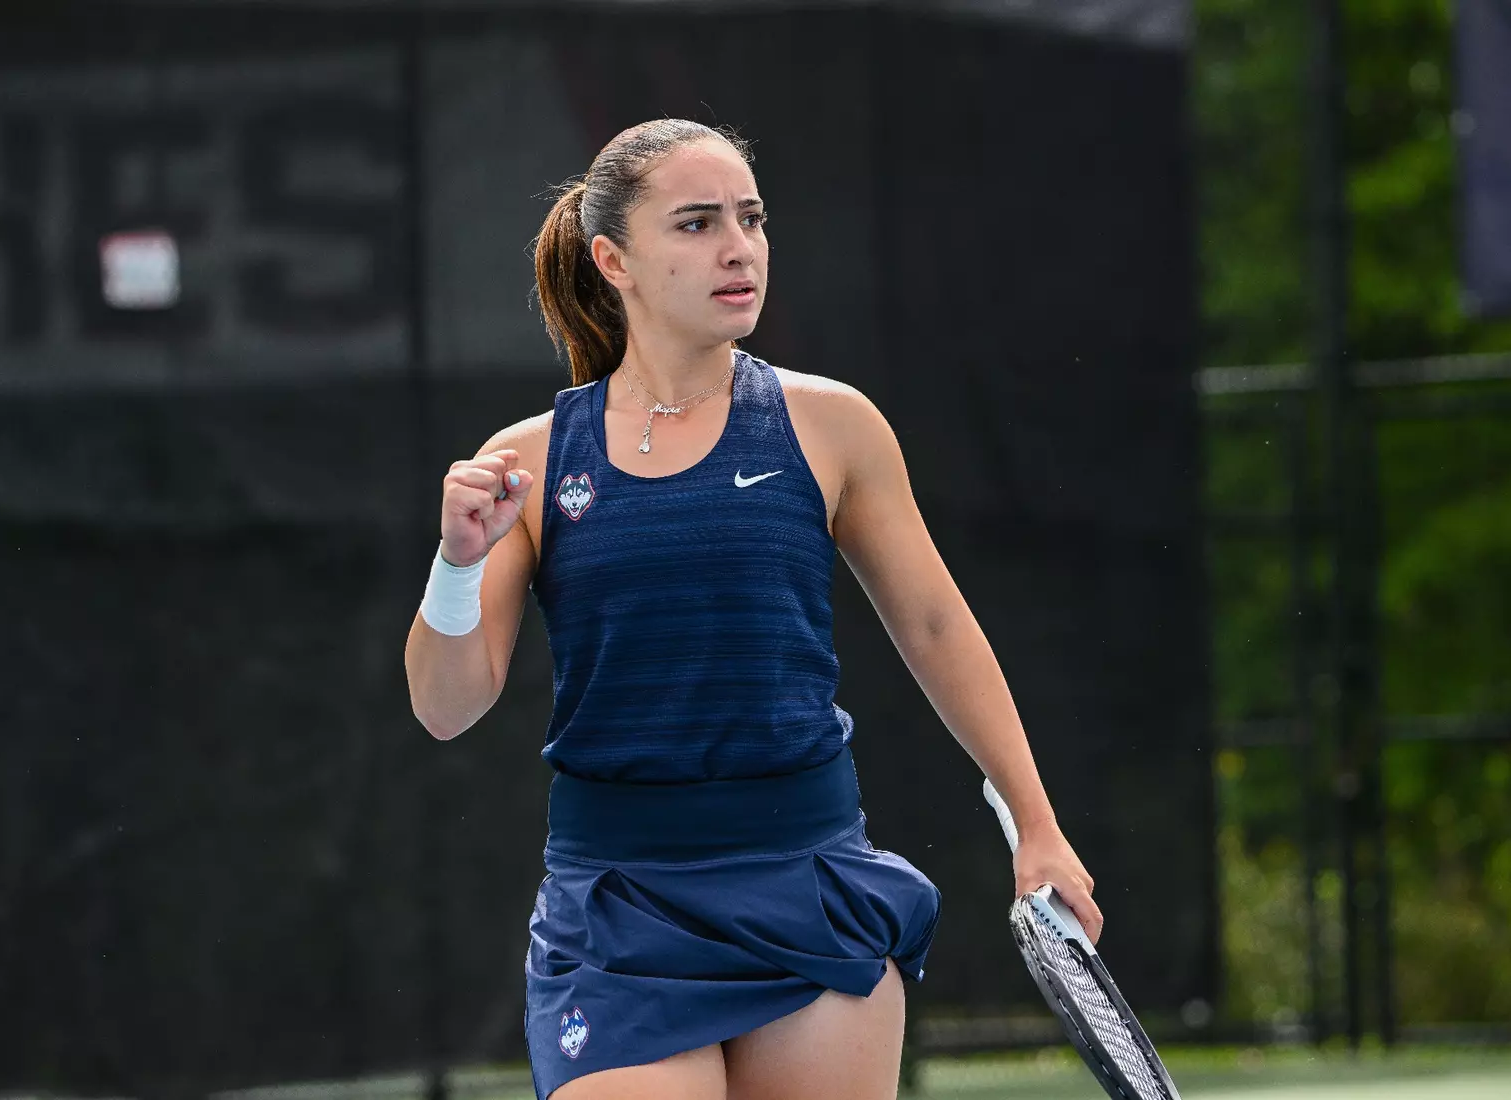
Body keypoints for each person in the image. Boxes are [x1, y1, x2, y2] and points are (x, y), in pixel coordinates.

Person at [402, 118, 1101, 1100]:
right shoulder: (526, 462)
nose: (738, 246)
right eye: (694, 223)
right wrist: (455, 562)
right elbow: (445, 705)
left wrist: (1036, 820)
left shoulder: (834, 426)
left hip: (808, 885)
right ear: (615, 260)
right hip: (616, 909)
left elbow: (936, 625)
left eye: (751, 217)